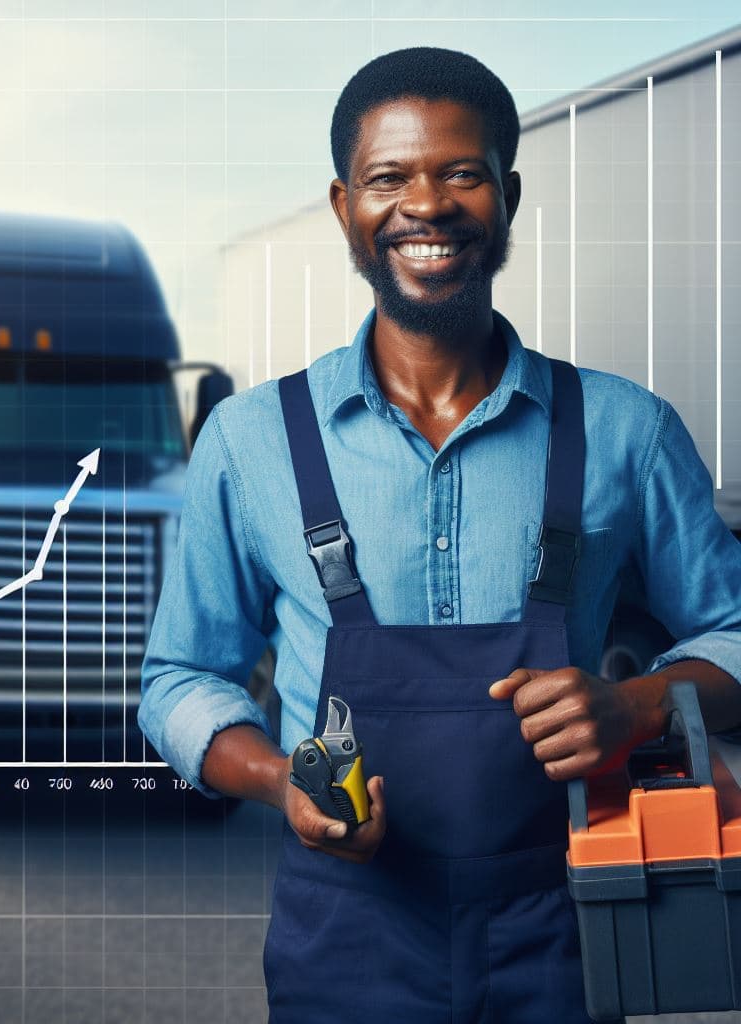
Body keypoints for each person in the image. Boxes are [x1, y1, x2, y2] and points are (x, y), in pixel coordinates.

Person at [137, 46, 741, 1023]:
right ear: (345, 208)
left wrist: (630, 704)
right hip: (345, 938)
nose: (426, 203)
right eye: (388, 178)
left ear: (505, 194)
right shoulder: (251, 442)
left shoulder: (626, 429)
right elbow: (177, 678)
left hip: (568, 931)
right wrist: (278, 775)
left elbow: (732, 631)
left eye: (460, 173)